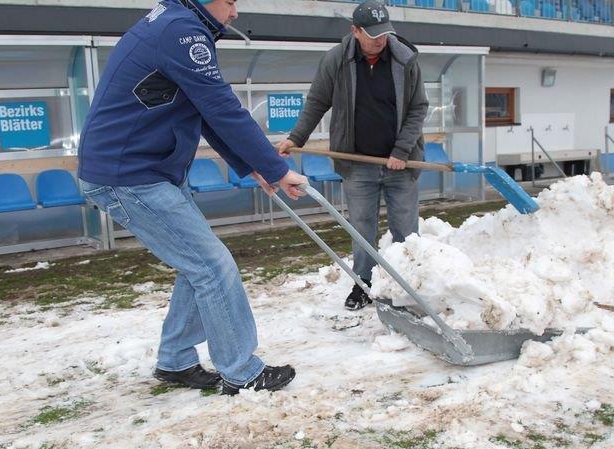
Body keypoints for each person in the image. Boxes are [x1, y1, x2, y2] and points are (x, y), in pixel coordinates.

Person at [77, 0, 307, 395]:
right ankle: (242, 372)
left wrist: (253, 165)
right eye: (232, 2)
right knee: (212, 266)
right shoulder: (181, 31)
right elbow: (222, 106)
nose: (235, 14)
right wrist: (277, 168)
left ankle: (176, 359)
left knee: (199, 266)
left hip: (150, 170)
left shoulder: (175, 22)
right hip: (130, 175)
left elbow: (203, 110)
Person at [276, 0, 428, 311]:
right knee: (362, 230)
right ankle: (364, 284)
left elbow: (418, 108)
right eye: (372, 35)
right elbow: (317, 101)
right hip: (358, 164)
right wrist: (296, 137)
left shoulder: (405, 60)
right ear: (354, 31)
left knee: (406, 231)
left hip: (401, 164)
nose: (380, 40)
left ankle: (408, 286)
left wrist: (401, 150)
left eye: (384, 34)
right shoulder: (336, 60)